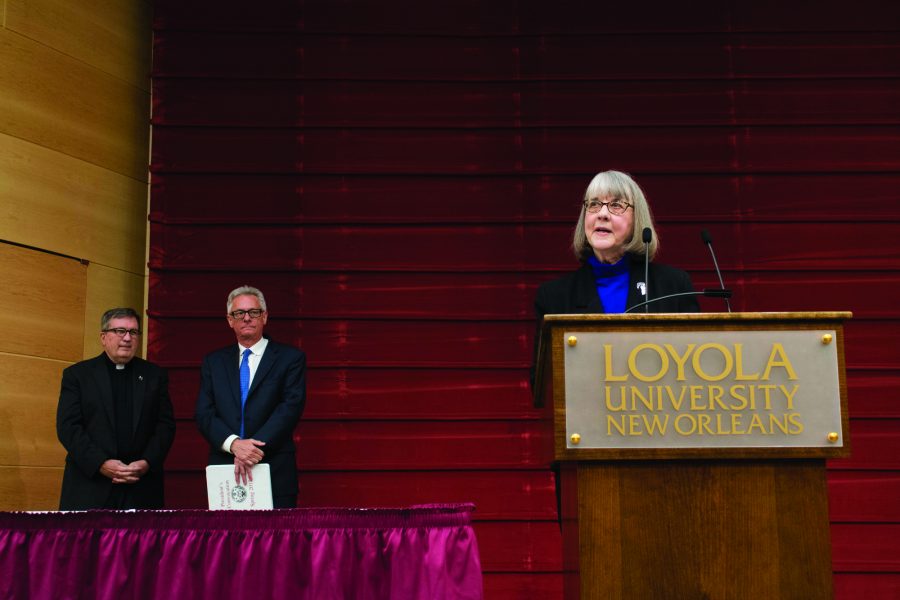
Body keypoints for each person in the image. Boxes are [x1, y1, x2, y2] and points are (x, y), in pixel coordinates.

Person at [195, 285, 306, 508]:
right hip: (225, 467)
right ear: (229, 320)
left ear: (264, 317)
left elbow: (290, 408)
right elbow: (204, 412)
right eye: (239, 313)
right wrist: (234, 444)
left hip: (274, 467)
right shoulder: (213, 362)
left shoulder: (290, 358)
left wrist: (250, 451)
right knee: (226, 541)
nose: (246, 318)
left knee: (277, 541)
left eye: (253, 312)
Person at [56, 308, 175, 510]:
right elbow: (69, 428)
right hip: (90, 486)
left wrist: (146, 462)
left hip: (141, 487)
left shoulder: (155, 376)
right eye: (120, 331)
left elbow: (165, 426)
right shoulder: (78, 376)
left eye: (133, 332)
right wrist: (101, 464)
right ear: (103, 337)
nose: (127, 338)